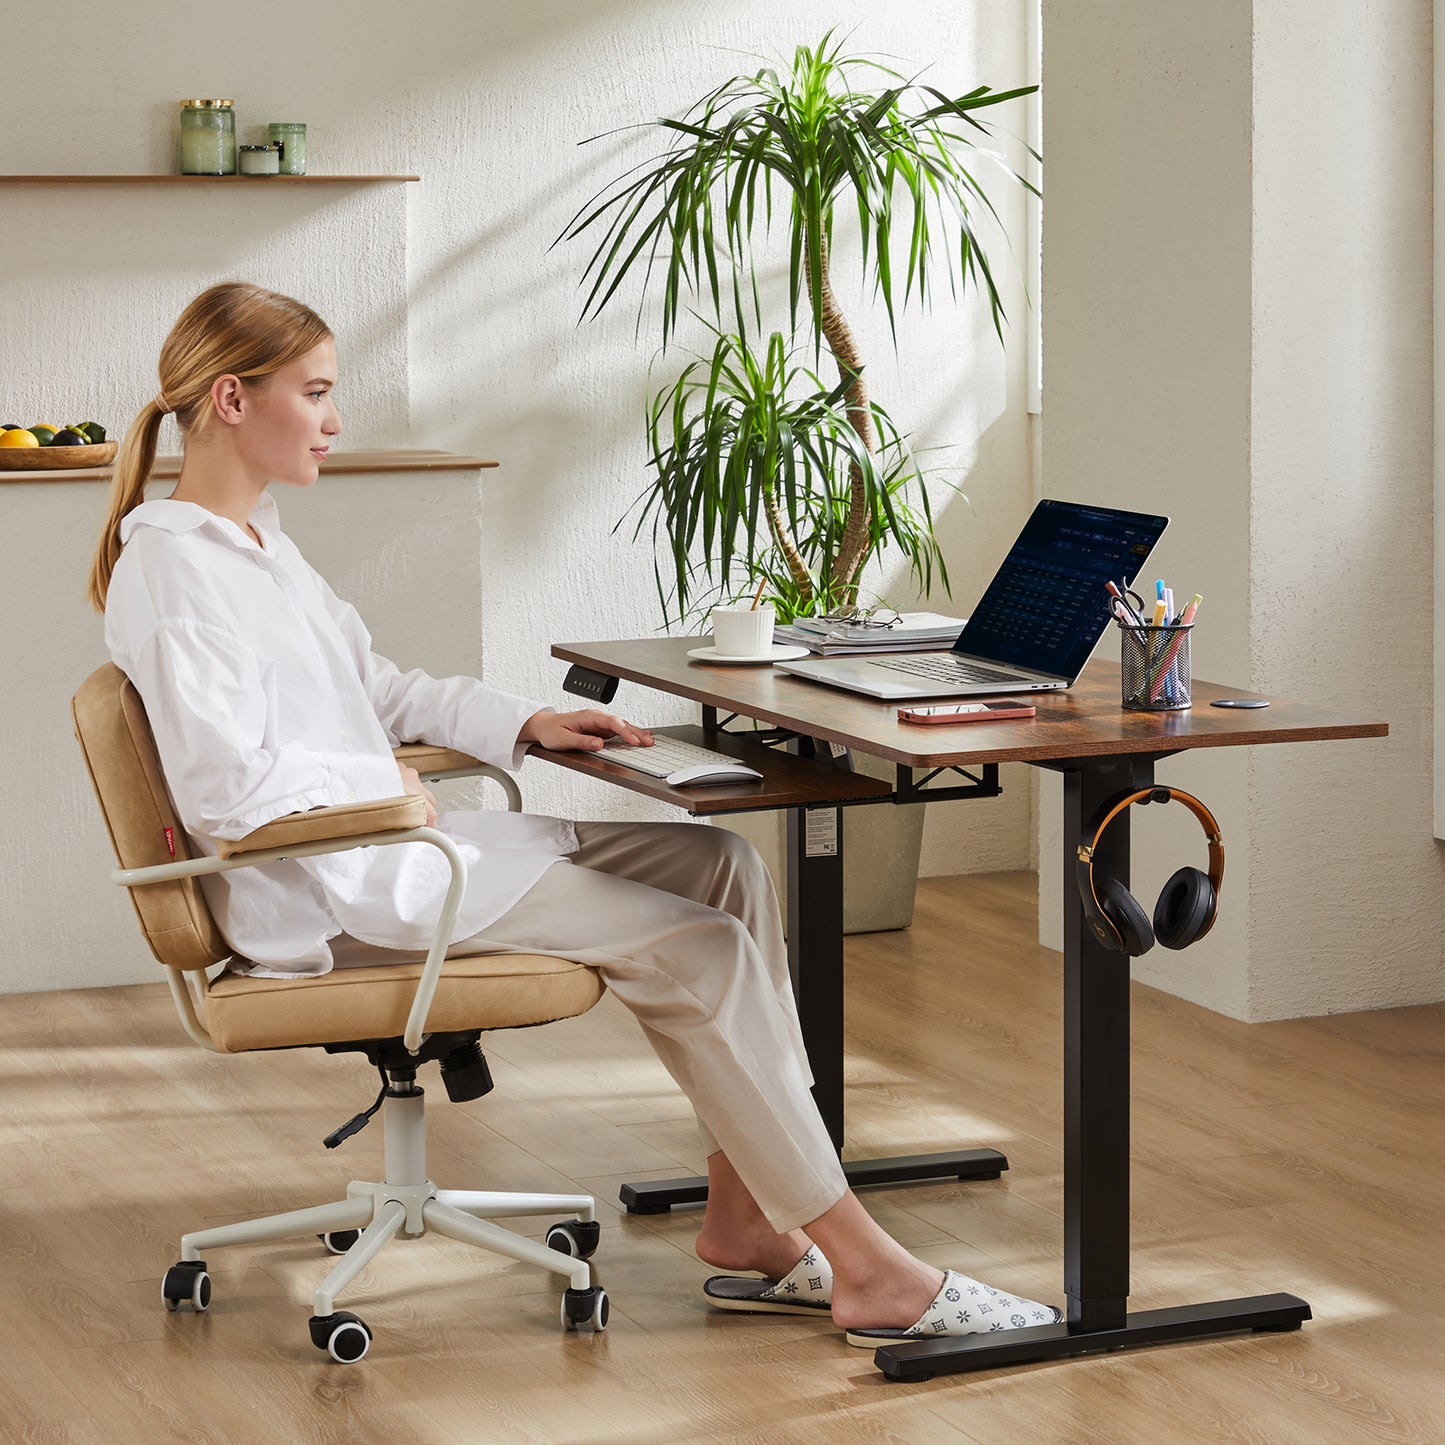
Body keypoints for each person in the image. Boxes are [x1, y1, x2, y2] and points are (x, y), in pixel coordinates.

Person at [89, 282, 1060, 1347]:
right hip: (338, 888)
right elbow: (231, 791)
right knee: (696, 947)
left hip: (391, 848)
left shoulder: (254, 542)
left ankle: (747, 1218)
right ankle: (868, 1266)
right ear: (232, 398)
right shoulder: (178, 570)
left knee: (719, 865)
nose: (333, 419)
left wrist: (526, 722)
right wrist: (390, 795)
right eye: (315, 393)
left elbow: (380, 689)